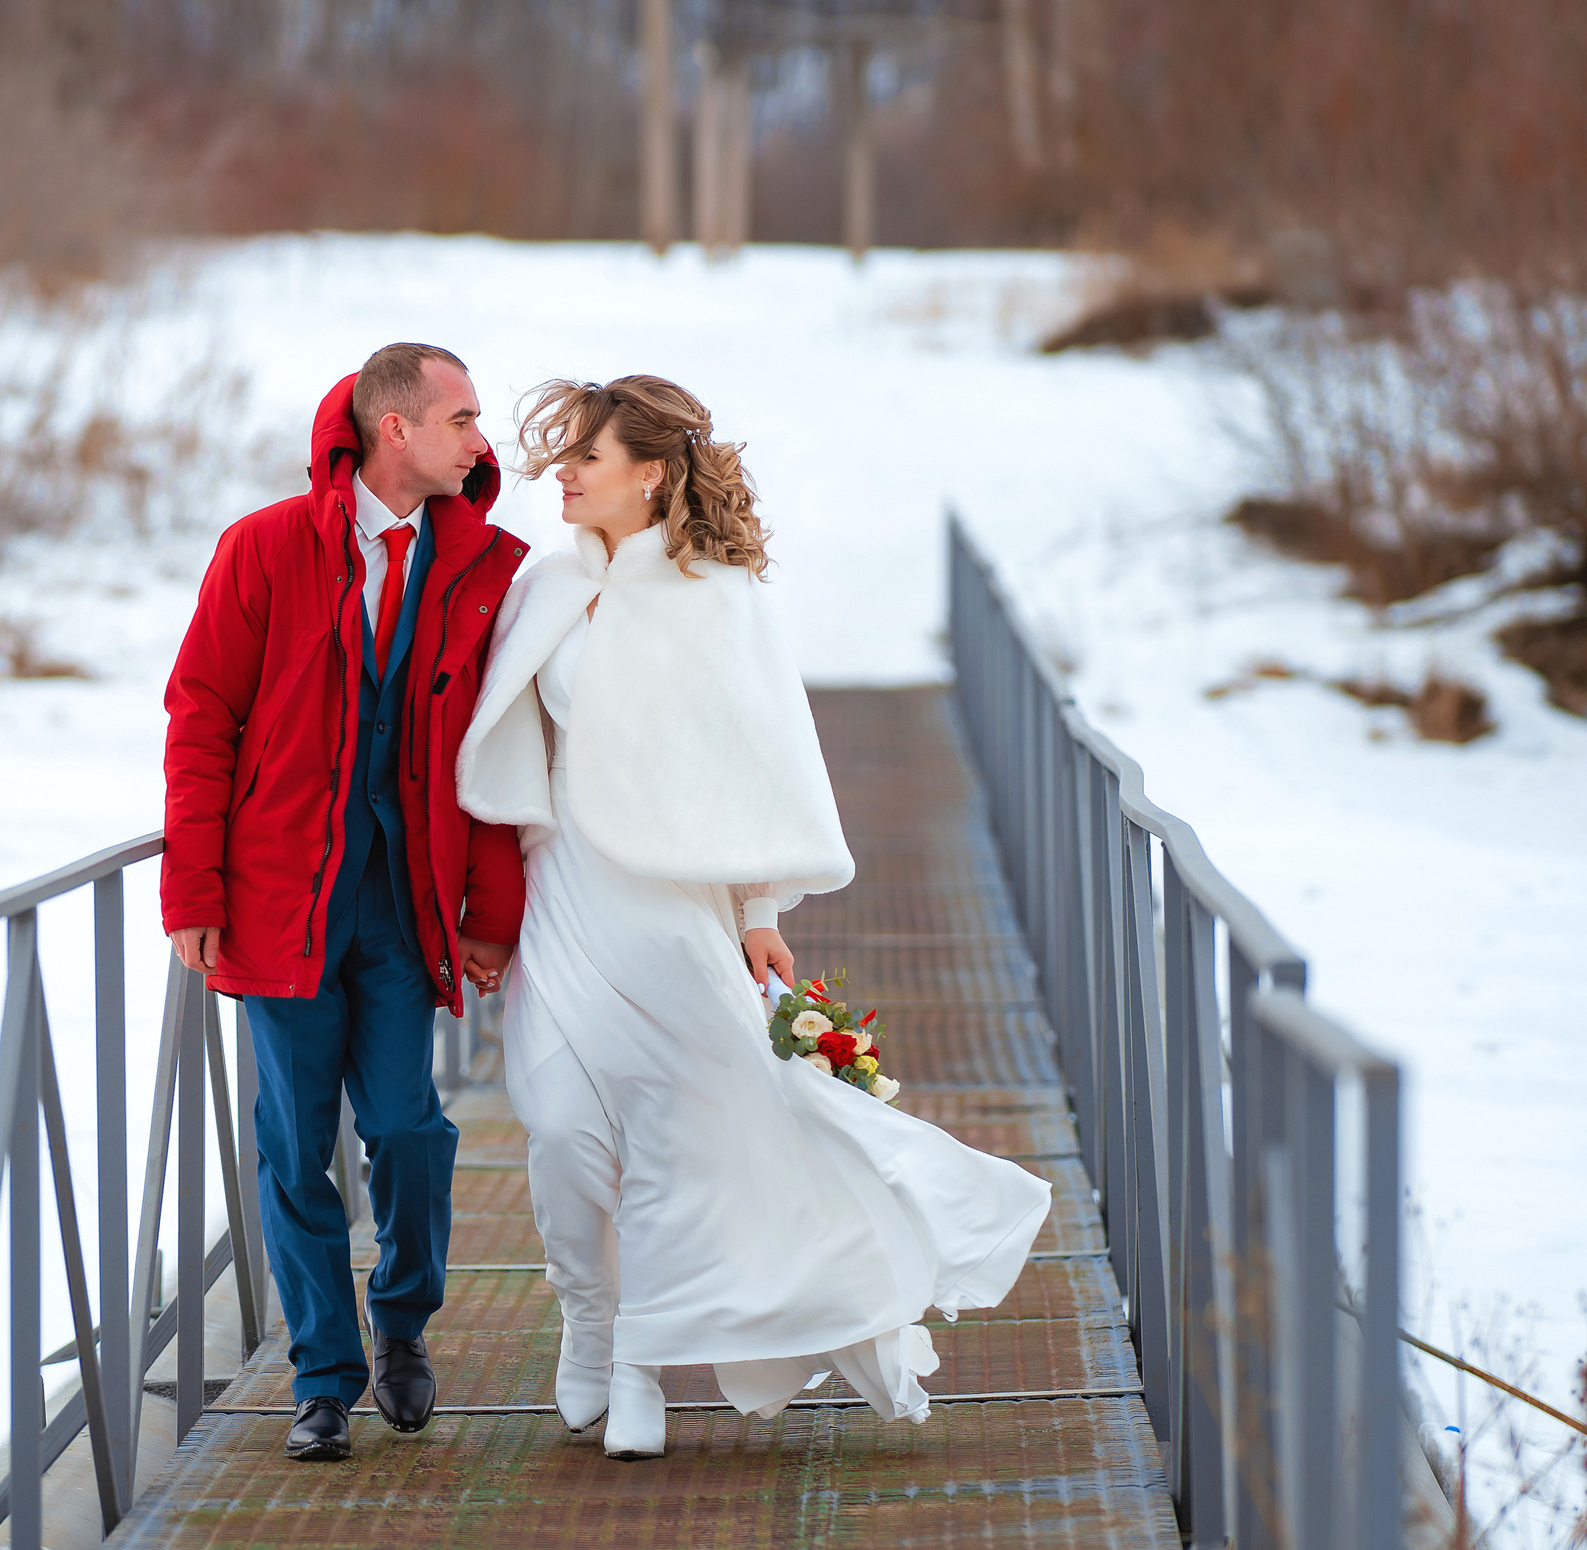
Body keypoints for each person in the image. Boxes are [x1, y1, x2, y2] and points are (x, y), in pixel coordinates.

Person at [455, 375, 1051, 1460]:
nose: (566, 474)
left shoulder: (718, 596)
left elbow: (759, 759)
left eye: (590, 456)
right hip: (565, 897)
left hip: (674, 906)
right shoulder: (540, 585)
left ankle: (637, 1358)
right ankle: (586, 1317)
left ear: (651, 471)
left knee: (677, 1135)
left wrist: (760, 906)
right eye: (564, 457)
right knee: (559, 1126)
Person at [162, 343, 530, 1461]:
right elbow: (201, 716)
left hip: (401, 899)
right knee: (290, 1142)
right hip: (280, 896)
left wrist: (488, 908)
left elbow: (501, 748)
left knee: (409, 1129)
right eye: (462, 418)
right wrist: (195, 885)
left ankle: (402, 1324)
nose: (482, 441)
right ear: (394, 431)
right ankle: (320, 1376)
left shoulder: (482, 567)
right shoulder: (265, 547)